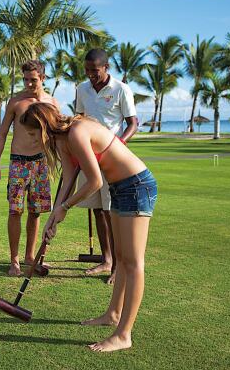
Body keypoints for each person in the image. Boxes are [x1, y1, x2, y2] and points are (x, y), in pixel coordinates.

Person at [20, 102, 157, 352]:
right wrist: (55, 213)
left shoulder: (77, 132)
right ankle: (113, 314)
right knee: (121, 257)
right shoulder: (63, 140)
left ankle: (124, 335)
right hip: (119, 187)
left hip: (137, 186)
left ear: (42, 126)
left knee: (134, 262)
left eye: (31, 133)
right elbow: (69, 178)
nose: (31, 140)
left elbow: (93, 181)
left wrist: (66, 207)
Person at [0, 60, 60, 276]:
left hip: (40, 163)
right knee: (15, 211)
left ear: (43, 78)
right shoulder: (16, 102)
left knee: (36, 212)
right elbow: (2, 133)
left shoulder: (52, 102)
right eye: (26, 79)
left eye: (34, 80)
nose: (29, 84)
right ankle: (14, 261)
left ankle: (30, 256)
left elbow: (58, 134)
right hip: (19, 162)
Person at [75, 48, 138, 284]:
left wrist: (118, 144)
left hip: (112, 158)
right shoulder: (82, 89)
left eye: (95, 70)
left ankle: (118, 267)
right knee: (98, 210)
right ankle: (107, 260)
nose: (91, 74)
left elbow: (132, 123)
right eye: (87, 70)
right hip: (89, 157)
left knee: (113, 213)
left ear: (106, 67)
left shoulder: (122, 89)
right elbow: (79, 119)